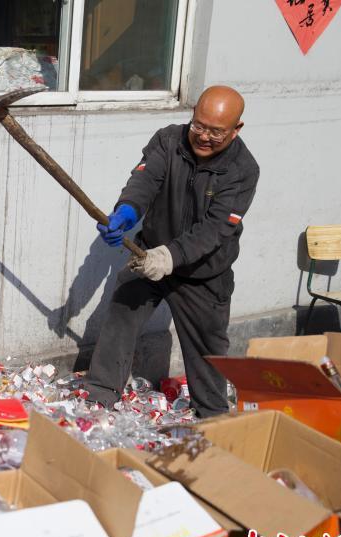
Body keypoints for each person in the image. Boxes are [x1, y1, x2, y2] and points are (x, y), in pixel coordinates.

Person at [83, 85, 260, 418]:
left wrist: (167, 257)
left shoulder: (243, 170)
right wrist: (125, 213)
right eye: (198, 126)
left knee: (208, 350)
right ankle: (100, 395)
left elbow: (214, 230)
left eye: (216, 132)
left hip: (204, 272)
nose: (204, 136)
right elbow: (144, 183)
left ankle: (212, 417)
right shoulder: (168, 141)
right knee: (122, 311)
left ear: (236, 130)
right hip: (149, 255)